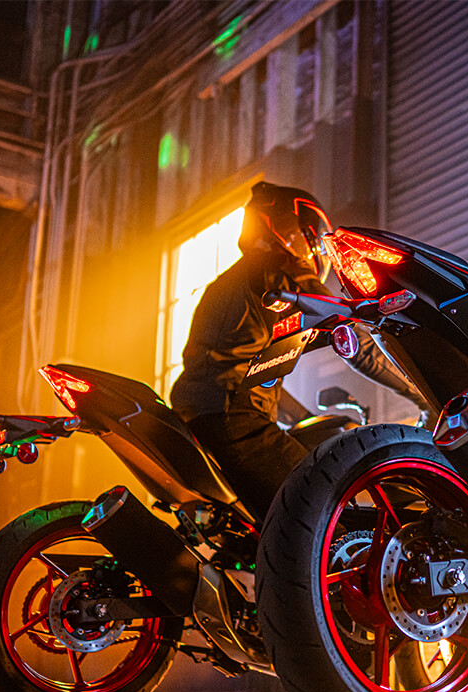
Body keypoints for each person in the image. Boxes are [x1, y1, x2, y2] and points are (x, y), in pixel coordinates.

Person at [170, 181, 426, 520]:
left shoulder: (230, 282)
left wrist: (306, 417)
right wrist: (421, 391)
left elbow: (249, 374)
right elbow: (354, 340)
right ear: (295, 228)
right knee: (323, 512)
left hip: (198, 416)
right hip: (233, 419)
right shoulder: (281, 267)